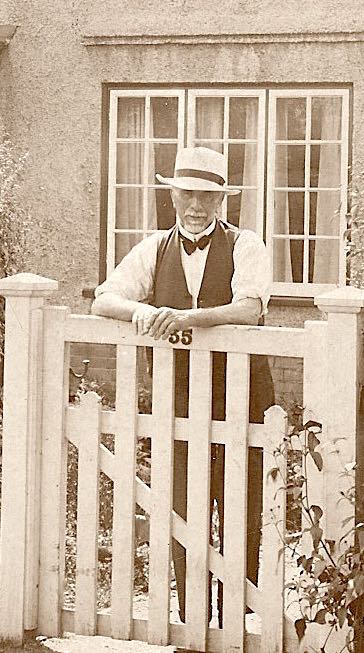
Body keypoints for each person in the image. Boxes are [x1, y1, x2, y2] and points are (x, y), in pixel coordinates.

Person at [91, 146, 274, 626]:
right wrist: (143, 311)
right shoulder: (154, 247)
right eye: (188, 194)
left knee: (241, 509)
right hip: (179, 401)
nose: (196, 206)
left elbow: (251, 308)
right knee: (180, 509)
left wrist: (188, 319)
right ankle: (192, 618)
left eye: (207, 198)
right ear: (172, 195)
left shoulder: (246, 244)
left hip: (243, 398)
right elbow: (103, 299)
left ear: (222, 202)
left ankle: (235, 619)